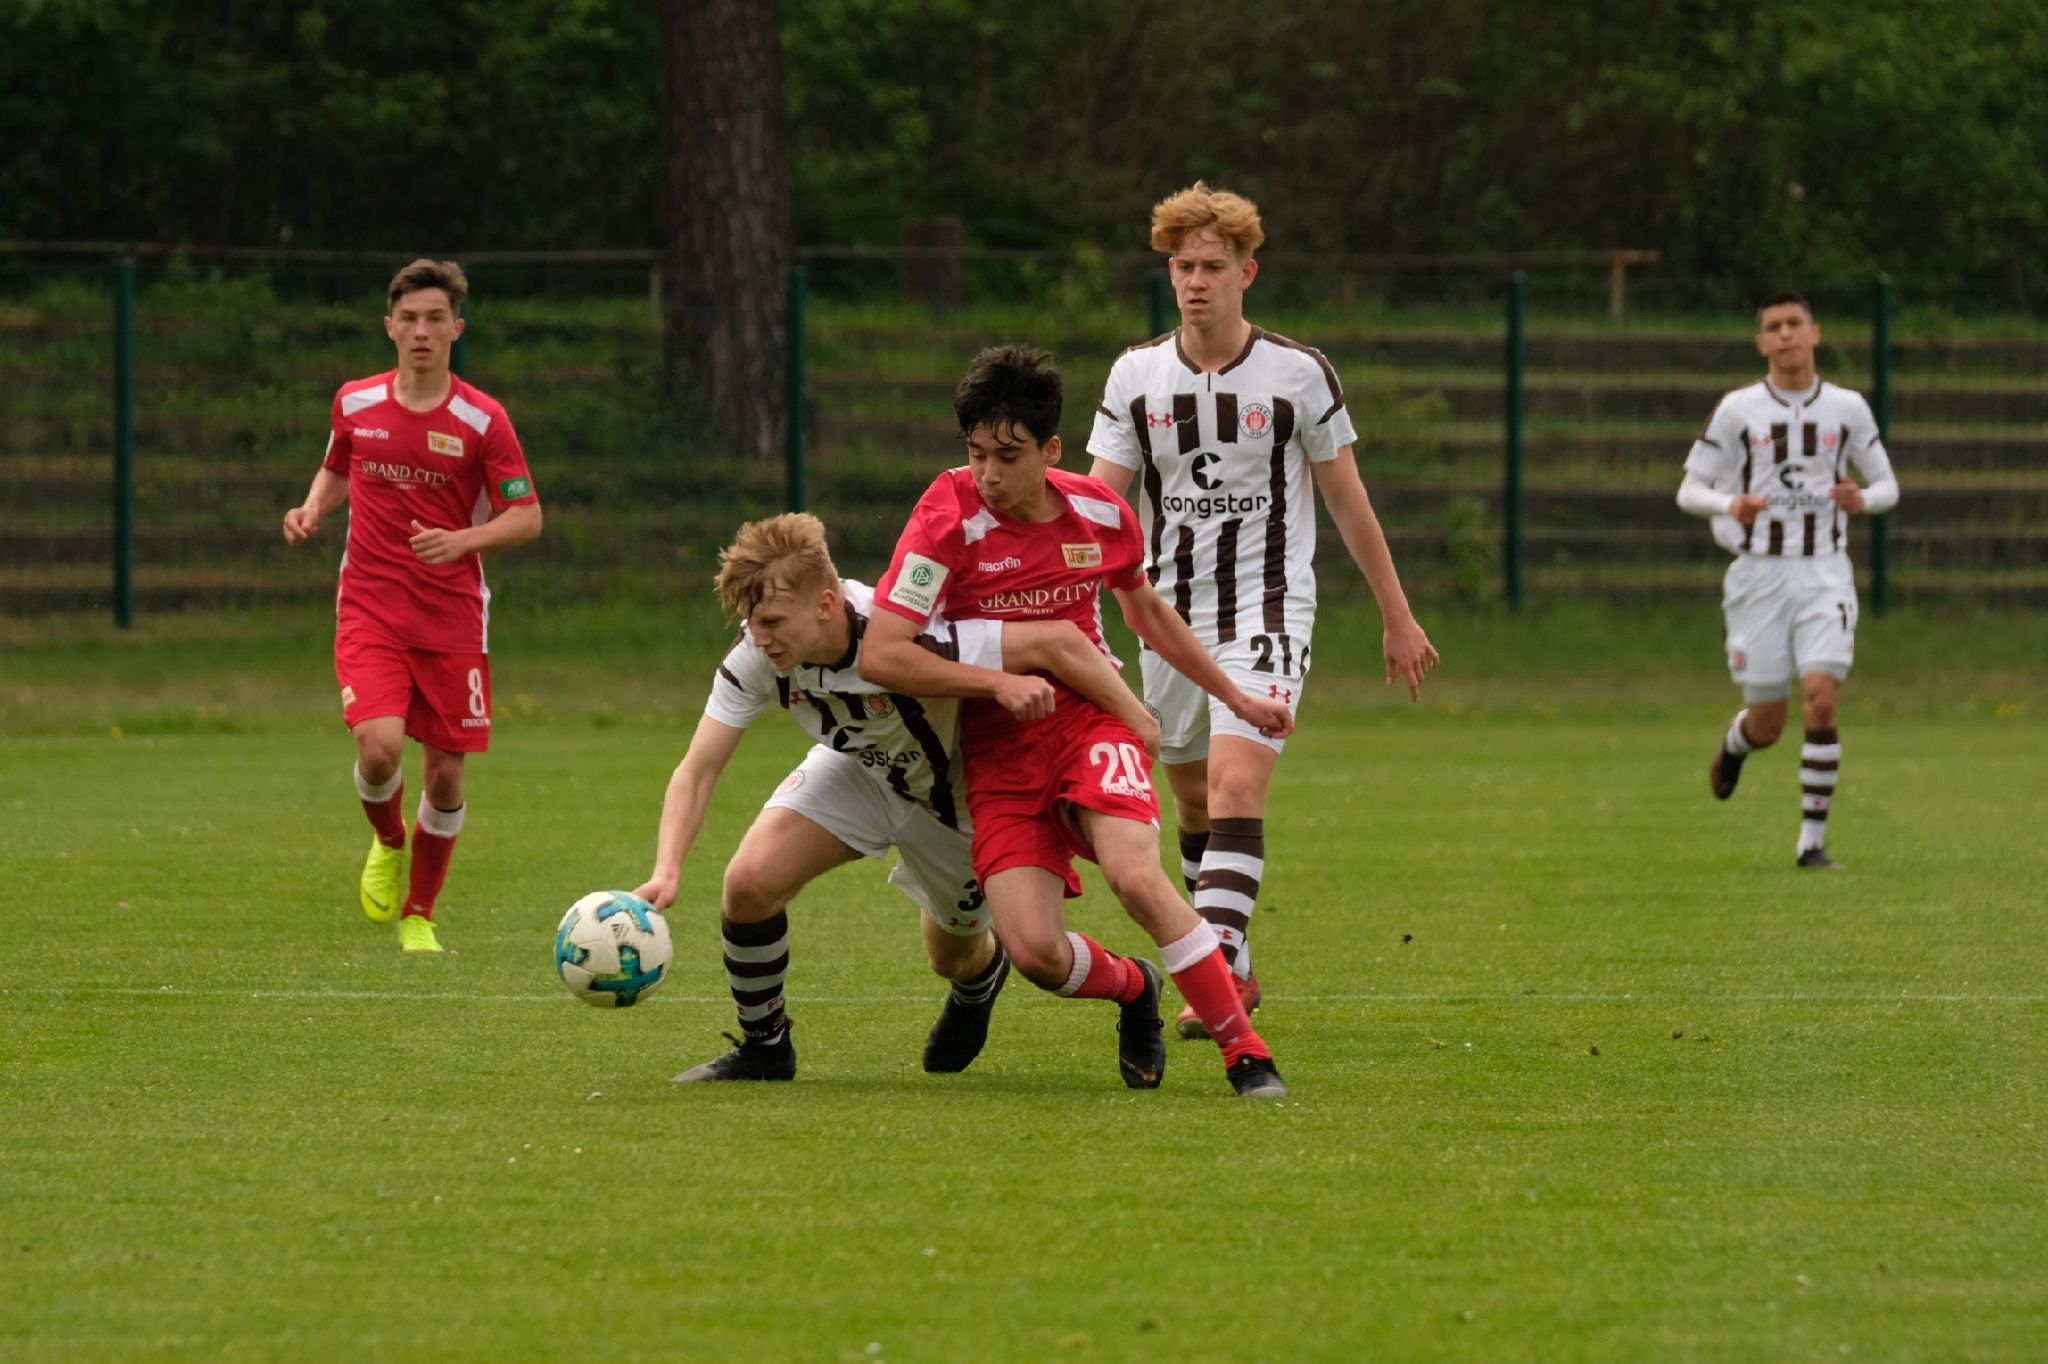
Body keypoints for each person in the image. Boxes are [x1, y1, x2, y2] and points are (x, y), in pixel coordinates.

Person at [861, 344, 1297, 1099]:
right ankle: (1136, 986)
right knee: (1035, 952)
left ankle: (1245, 1052)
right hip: (996, 752)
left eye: (1008, 456)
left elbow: (1146, 612)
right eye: (976, 454)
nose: (988, 474)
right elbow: (882, 653)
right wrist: (996, 683)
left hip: (1091, 722)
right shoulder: (945, 516)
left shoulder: (1098, 511)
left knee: (1136, 877)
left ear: (1052, 450)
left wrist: (1236, 696)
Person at [1085, 182, 1438, 1038]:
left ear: (1248, 272)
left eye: (1212, 266)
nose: (1195, 282)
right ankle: (1234, 966)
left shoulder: (1298, 374)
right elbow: (1099, 509)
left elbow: (1347, 500)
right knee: (1195, 803)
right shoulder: (1136, 376)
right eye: (1182, 267)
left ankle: (1216, 975)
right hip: (1165, 619)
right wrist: (1068, 607)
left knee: (1239, 782)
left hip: (1269, 608)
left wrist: (1397, 615)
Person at [631, 512, 1161, 1082]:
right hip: (859, 769)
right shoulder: (758, 653)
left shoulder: (909, 629)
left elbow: (1055, 643)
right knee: (748, 883)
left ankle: (1128, 984)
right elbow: (698, 770)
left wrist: (1135, 722)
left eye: (774, 622)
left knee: (974, 956)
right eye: (753, 622)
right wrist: (667, 869)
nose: (760, 638)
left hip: (955, 803)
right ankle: (766, 1049)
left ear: (827, 604)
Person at [282, 259, 542, 952]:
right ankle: (389, 840)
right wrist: (311, 508)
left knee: (446, 773)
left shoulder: (483, 419)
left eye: (435, 318)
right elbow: (338, 467)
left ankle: (419, 913)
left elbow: (528, 517)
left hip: (453, 617)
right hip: (369, 608)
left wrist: (462, 541)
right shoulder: (355, 402)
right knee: (378, 749)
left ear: (457, 329)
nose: (421, 330)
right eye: (410, 318)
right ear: (389, 327)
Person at [1679, 292, 1899, 868]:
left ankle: (1811, 844)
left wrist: (1862, 499)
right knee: (1769, 724)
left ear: (1814, 333)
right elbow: (1689, 490)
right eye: (1774, 327)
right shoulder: (1738, 410)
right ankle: (1737, 743)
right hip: (1758, 579)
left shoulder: (1848, 408)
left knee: (1821, 700)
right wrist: (1730, 504)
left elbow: (1888, 486)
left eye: (1794, 323)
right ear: (1762, 343)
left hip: (1825, 572)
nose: (1785, 334)